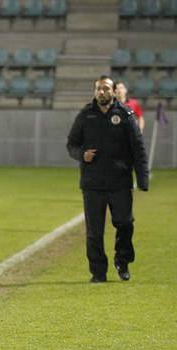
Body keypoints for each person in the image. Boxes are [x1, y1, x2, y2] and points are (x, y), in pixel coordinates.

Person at [67, 75, 149, 283]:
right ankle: (98, 272)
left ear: (113, 91)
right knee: (94, 232)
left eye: (105, 89)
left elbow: (138, 148)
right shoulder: (86, 115)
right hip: (92, 184)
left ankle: (122, 260)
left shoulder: (125, 114)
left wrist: (142, 179)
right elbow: (72, 144)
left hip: (120, 182)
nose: (101, 92)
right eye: (98, 89)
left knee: (125, 223)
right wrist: (82, 154)